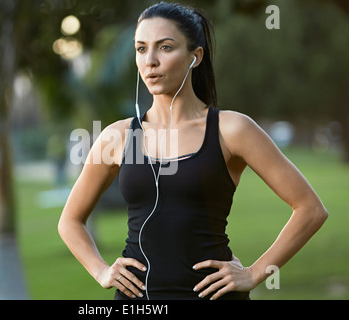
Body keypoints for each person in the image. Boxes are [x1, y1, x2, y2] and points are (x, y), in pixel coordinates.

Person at [58, 2, 328, 300]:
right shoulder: (118, 137)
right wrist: (101, 271)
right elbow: (70, 221)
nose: (150, 61)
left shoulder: (232, 130)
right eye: (141, 48)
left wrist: (254, 272)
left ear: (195, 56)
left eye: (165, 47)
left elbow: (310, 209)